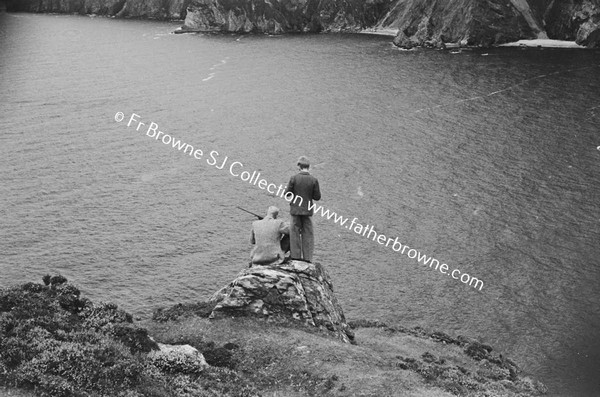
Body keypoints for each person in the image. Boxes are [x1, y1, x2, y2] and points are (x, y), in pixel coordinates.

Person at [284, 156, 321, 262]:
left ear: (299, 166)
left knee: (294, 232)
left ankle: (295, 256)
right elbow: (317, 197)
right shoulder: (314, 180)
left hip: (295, 210)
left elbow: (287, 194)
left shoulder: (294, 178)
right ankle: (308, 258)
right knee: (308, 234)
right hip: (307, 210)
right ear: (308, 167)